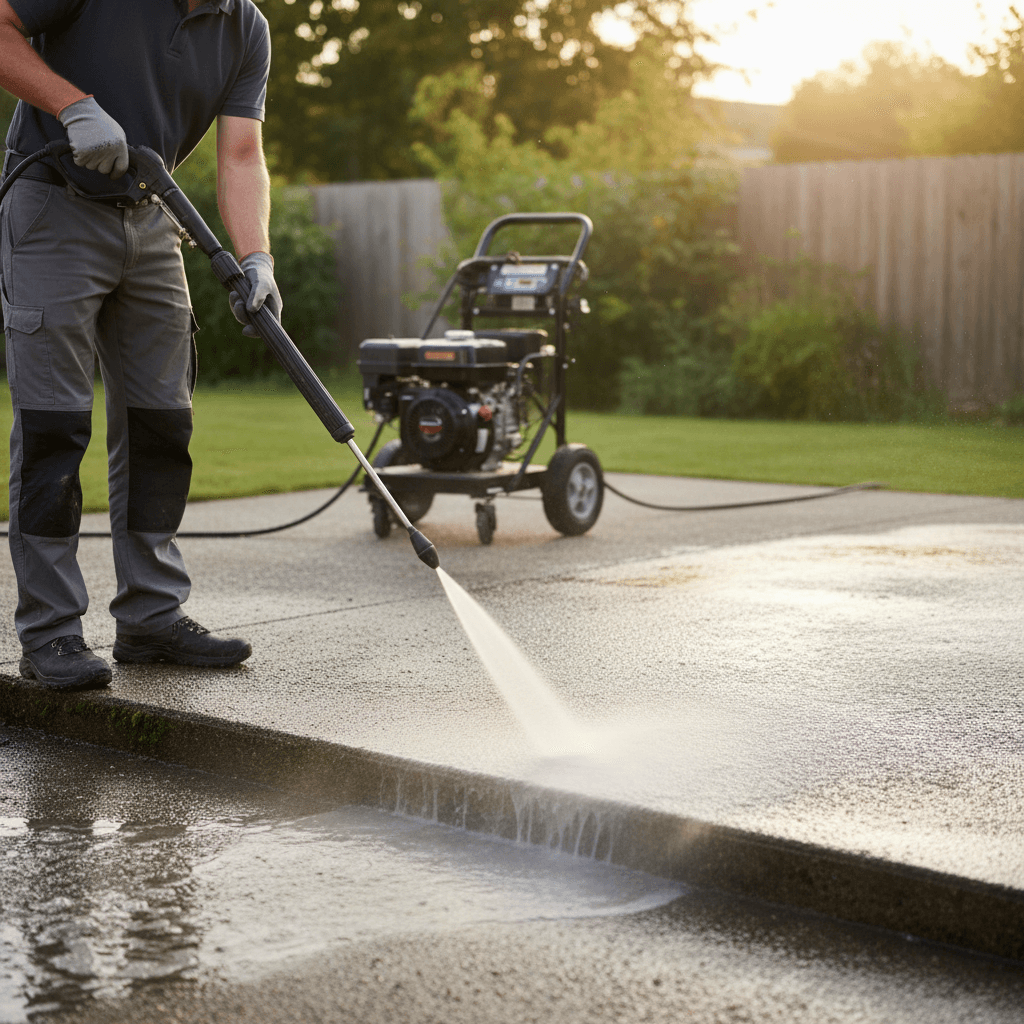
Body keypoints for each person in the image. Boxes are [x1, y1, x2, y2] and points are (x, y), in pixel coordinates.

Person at [0, 0, 283, 691]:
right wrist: (72, 107)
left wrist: (257, 260)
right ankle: (52, 633)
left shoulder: (245, 28)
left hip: (152, 215)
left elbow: (242, 153)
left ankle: (152, 614)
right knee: (54, 427)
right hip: (51, 204)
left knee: (162, 422)